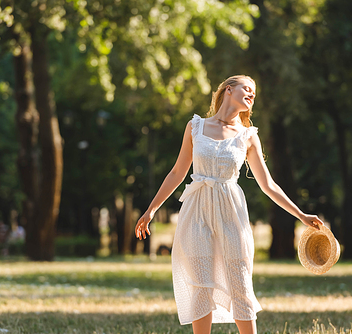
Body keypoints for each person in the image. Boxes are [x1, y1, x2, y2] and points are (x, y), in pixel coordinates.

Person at [135, 75, 324, 334]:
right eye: (247, 88)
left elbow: (268, 185)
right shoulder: (195, 127)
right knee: (200, 283)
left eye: (254, 93)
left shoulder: (248, 136)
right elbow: (177, 172)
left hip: (231, 213)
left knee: (240, 282)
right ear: (228, 90)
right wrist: (151, 210)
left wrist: (301, 214)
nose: (252, 95)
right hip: (196, 211)